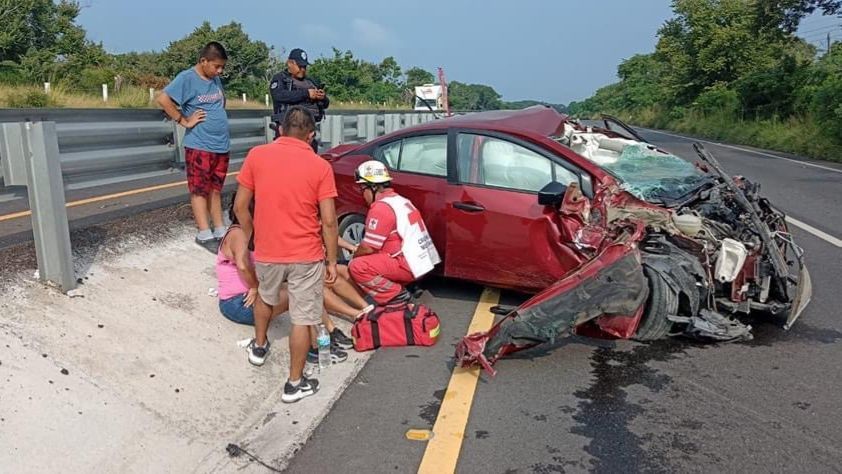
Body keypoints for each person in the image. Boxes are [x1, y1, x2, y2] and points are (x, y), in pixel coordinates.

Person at [234, 106, 338, 403]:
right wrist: (331, 260)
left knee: (265, 298)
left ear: (280, 129)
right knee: (303, 319)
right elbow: (329, 221)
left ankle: (259, 346)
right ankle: (294, 383)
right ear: (311, 135)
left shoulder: (257, 155)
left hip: (268, 251)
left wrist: (253, 235)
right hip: (306, 254)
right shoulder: (320, 167)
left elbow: (241, 206)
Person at [216, 194, 371, 367]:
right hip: (237, 303)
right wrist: (254, 287)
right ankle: (315, 347)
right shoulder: (238, 233)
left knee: (311, 282)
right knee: (301, 294)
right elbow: (243, 265)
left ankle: (336, 327)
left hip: (257, 296)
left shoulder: (257, 232)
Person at [157, 41, 231, 253]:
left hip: (220, 144)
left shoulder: (215, 80)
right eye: (216, 66)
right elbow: (163, 99)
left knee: (216, 188)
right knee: (200, 189)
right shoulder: (186, 78)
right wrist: (184, 120)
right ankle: (204, 232)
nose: (220, 71)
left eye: (222, 67)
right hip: (200, 144)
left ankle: (219, 229)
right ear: (203, 61)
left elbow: (220, 103)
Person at [349, 161, 441, 305]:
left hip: (407, 263)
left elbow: (368, 247)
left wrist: (353, 258)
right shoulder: (401, 200)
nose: (363, 194)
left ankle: (396, 296)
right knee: (376, 255)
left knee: (357, 266)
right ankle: (403, 288)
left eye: (363, 189)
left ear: (373, 187)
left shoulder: (381, 208)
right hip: (422, 261)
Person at [269, 48, 329, 151]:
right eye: (300, 66)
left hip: (307, 132)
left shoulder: (310, 81)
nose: (303, 70)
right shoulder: (280, 79)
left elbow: (325, 104)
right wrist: (306, 94)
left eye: (304, 67)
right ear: (290, 63)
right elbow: (279, 96)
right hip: (288, 131)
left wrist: (322, 98)